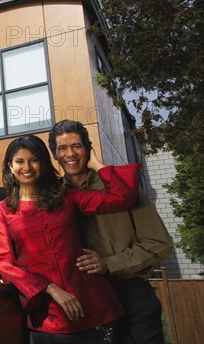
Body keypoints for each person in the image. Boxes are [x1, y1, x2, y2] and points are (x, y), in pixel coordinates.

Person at [0, 134, 140, 343]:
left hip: (96, 306)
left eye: (34, 160)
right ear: (10, 166)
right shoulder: (2, 211)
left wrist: (94, 163)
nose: (27, 167)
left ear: (43, 163)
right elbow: (2, 261)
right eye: (20, 161)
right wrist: (50, 288)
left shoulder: (67, 197)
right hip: (48, 316)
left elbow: (122, 197)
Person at [48, 119, 172, 344]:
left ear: (88, 149)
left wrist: (109, 263)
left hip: (131, 295)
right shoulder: (52, 198)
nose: (70, 154)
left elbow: (159, 242)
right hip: (82, 301)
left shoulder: (123, 188)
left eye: (76, 146)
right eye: (62, 148)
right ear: (55, 155)